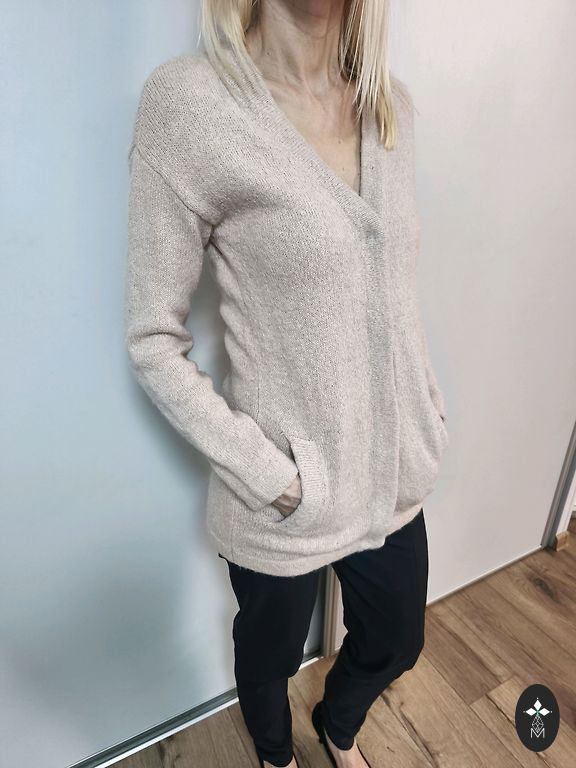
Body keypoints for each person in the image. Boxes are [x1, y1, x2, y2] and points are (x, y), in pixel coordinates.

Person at [125, 2, 449, 766]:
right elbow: (152, 339)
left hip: (391, 478)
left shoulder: (392, 108)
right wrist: (272, 477)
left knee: (398, 640)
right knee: (267, 661)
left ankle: (337, 725)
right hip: (283, 499)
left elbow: (393, 298)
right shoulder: (190, 105)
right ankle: (275, 753)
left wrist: (427, 415)